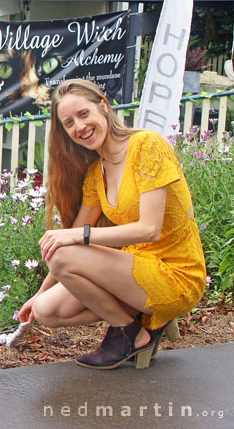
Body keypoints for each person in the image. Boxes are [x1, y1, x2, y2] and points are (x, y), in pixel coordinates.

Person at [18, 78, 206, 370]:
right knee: (46, 310)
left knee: (64, 251)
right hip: (135, 270)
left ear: (103, 107)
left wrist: (78, 237)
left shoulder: (147, 146)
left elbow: (149, 229)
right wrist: (37, 295)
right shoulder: (97, 173)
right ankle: (141, 325)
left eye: (83, 114)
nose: (79, 127)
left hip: (176, 275)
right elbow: (68, 241)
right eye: (69, 123)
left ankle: (129, 334)